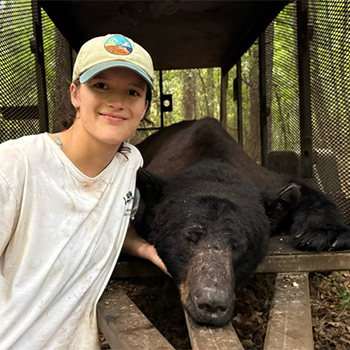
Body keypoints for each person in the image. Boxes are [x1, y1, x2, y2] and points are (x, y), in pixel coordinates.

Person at [0, 33, 167, 349]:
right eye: (101, 86)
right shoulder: (16, 164)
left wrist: (146, 249)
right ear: (75, 93)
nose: (117, 101)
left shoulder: (130, 165)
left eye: (132, 92)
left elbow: (114, 220)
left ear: (144, 107)